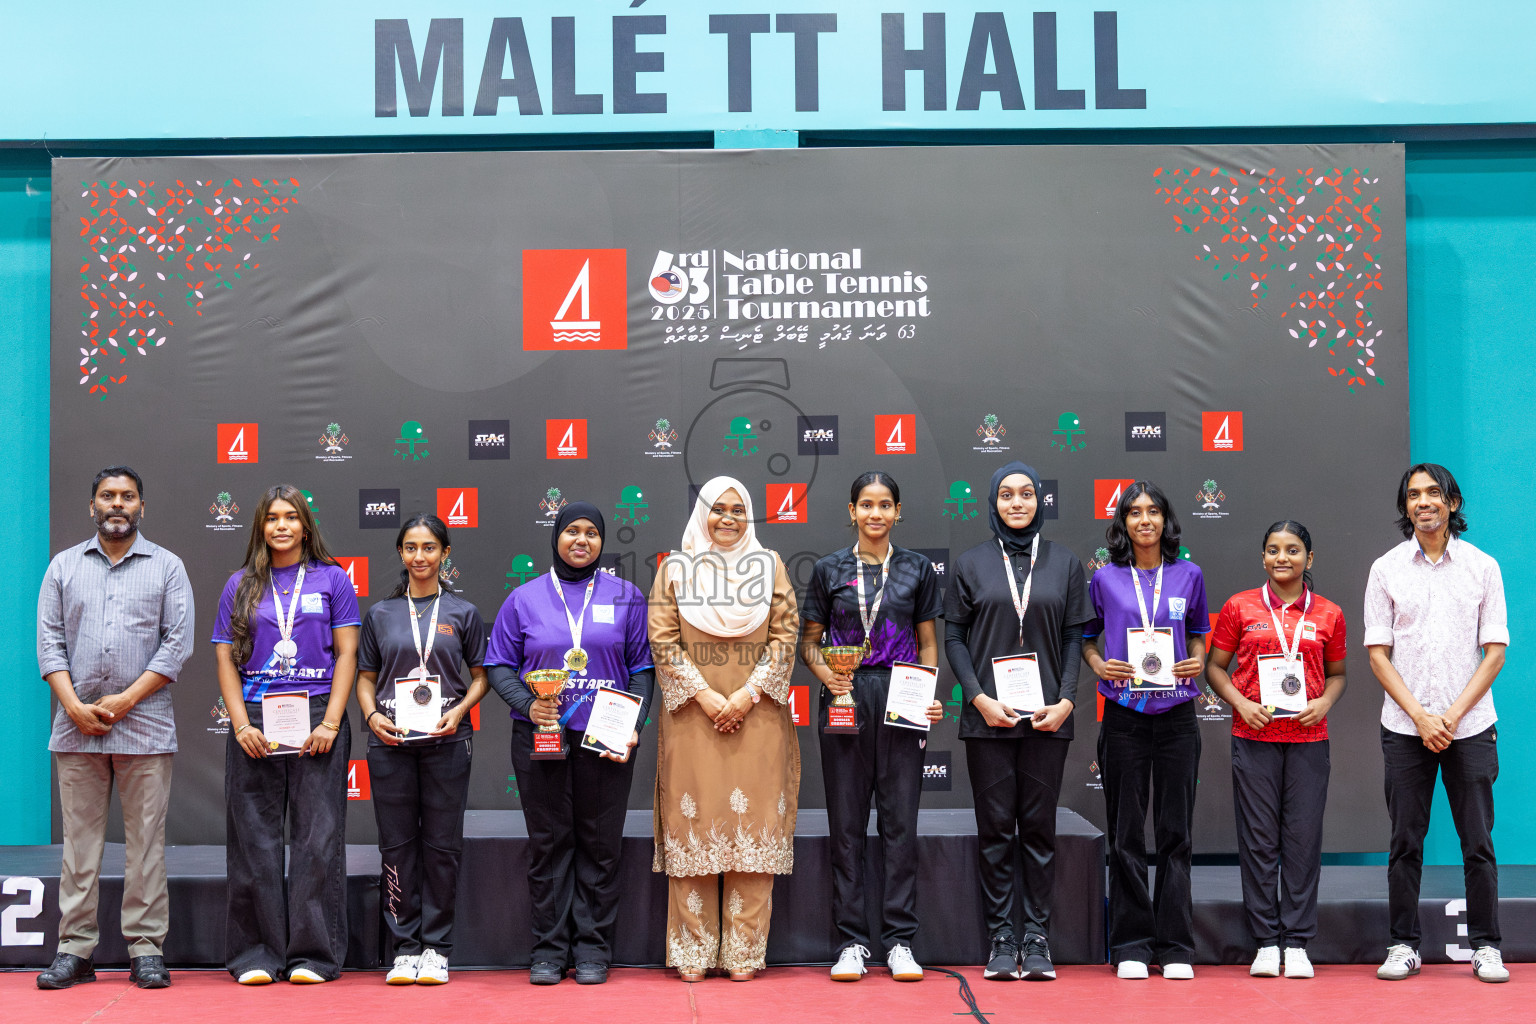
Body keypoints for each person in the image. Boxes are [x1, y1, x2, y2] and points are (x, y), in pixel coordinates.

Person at [35, 466, 194, 991]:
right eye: (107, 495)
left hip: (145, 724)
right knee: (79, 846)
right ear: (92, 505)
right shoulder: (63, 567)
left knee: (146, 842)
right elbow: (50, 643)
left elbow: (177, 644)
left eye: (127, 496)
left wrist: (126, 699)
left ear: (141, 507)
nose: (117, 504)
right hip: (75, 725)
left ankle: (145, 948)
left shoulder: (167, 567)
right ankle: (75, 950)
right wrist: (73, 706)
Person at [484, 502, 654, 986]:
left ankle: (594, 949)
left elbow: (642, 670)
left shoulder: (626, 596)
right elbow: (498, 663)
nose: (582, 540)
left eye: (592, 533)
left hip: (605, 736)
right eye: (572, 531)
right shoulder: (524, 598)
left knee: (600, 847)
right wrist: (528, 702)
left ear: (602, 541)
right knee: (549, 845)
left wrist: (635, 722)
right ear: (556, 536)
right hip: (542, 735)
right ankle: (549, 952)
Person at [944, 462, 1092, 982]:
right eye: (1006, 495)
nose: (1017, 503)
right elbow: (955, 640)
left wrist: (1068, 700)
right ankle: (1001, 939)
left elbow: (1075, 637)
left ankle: (1036, 937)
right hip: (989, 720)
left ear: (1040, 502)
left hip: (1047, 719)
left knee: (1038, 831)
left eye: (1027, 494)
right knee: (994, 833)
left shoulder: (1066, 563)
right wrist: (979, 698)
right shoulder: (970, 564)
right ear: (993, 503)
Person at [649, 476, 800, 982]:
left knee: (751, 833)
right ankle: (692, 952)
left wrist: (746, 695)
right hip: (693, 718)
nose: (729, 518)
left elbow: (785, 635)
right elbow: (663, 640)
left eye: (738, 508)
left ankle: (744, 952)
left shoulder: (770, 566)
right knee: (695, 827)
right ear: (702, 514)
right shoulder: (674, 569)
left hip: (758, 718)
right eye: (718, 509)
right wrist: (707, 696)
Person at [1364, 464, 1508, 984]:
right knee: (1405, 841)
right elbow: (1379, 656)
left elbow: (1494, 653)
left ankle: (1486, 946)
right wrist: (1421, 717)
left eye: (1433, 493)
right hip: (1405, 728)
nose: (1423, 501)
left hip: (1469, 727)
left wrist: (1447, 717)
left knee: (1478, 844)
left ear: (1452, 501)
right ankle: (1404, 944)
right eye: (1414, 495)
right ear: (1406, 507)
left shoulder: (1482, 567)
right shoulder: (1385, 569)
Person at [212, 483, 360, 984]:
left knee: (318, 841)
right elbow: (225, 661)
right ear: (260, 525)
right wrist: (240, 724)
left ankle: (312, 956)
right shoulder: (241, 584)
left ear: (305, 525)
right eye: (272, 516)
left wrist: (332, 721)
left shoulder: (333, 580)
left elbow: (347, 655)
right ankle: (256, 954)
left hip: (319, 713)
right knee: (254, 840)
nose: (281, 525)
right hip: (255, 716)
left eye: (291, 517)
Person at [800, 472, 943, 983]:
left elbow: (928, 641)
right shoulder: (828, 569)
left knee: (900, 823)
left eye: (885, 505)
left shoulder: (918, 569)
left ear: (898, 512)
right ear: (852, 510)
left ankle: (900, 939)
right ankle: (852, 942)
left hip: (901, 692)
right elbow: (809, 642)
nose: (875, 514)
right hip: (844, 694)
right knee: (847, 824)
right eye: (866, 504)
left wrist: (925, 690)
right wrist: (830, 678)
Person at [1206, 521, 1347, 980]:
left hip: (1309, 741)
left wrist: (1323, 701)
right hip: (1254, 740)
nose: (1281, 558)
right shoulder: (1239, 607)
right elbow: (1215, 669)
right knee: (1259, 842)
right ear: (1263, 557)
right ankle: (1267, 942)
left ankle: (1299, 942)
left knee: (1303, 843)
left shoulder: (1328, 613)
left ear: (1310, 559)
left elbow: (1339, 674)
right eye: (1272, 550)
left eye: (1292, 550)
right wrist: (1242, 704)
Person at [1082, 481, 1210, 980]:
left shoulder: (1190, 575)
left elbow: (1198, 635)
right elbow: (1090, 640)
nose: (1144, 521)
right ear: (1123, 523)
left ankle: (1176, 945)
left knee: (1176, 833)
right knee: (1127, 832)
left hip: (1176, 714)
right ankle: (1132, 944)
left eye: (1154, 511)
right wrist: (1099, 666)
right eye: (1134, 513)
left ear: (1166, 519)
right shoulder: (1106, 578)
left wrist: (1195, 662)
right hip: (1124, 713)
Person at [355, 514, 489, 985]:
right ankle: (405, 947)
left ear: (445, 553)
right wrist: (372, 717)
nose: (420, 556)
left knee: (441, 845)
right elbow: (366, 678)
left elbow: (480, 677)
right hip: (390, 743)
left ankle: (437, 948)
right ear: (400, 554)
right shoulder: (380, 615)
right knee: (396, 844)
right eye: (411, 547)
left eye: (429, 547)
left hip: (446, 741)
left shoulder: (463, 613)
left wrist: (460, 712)